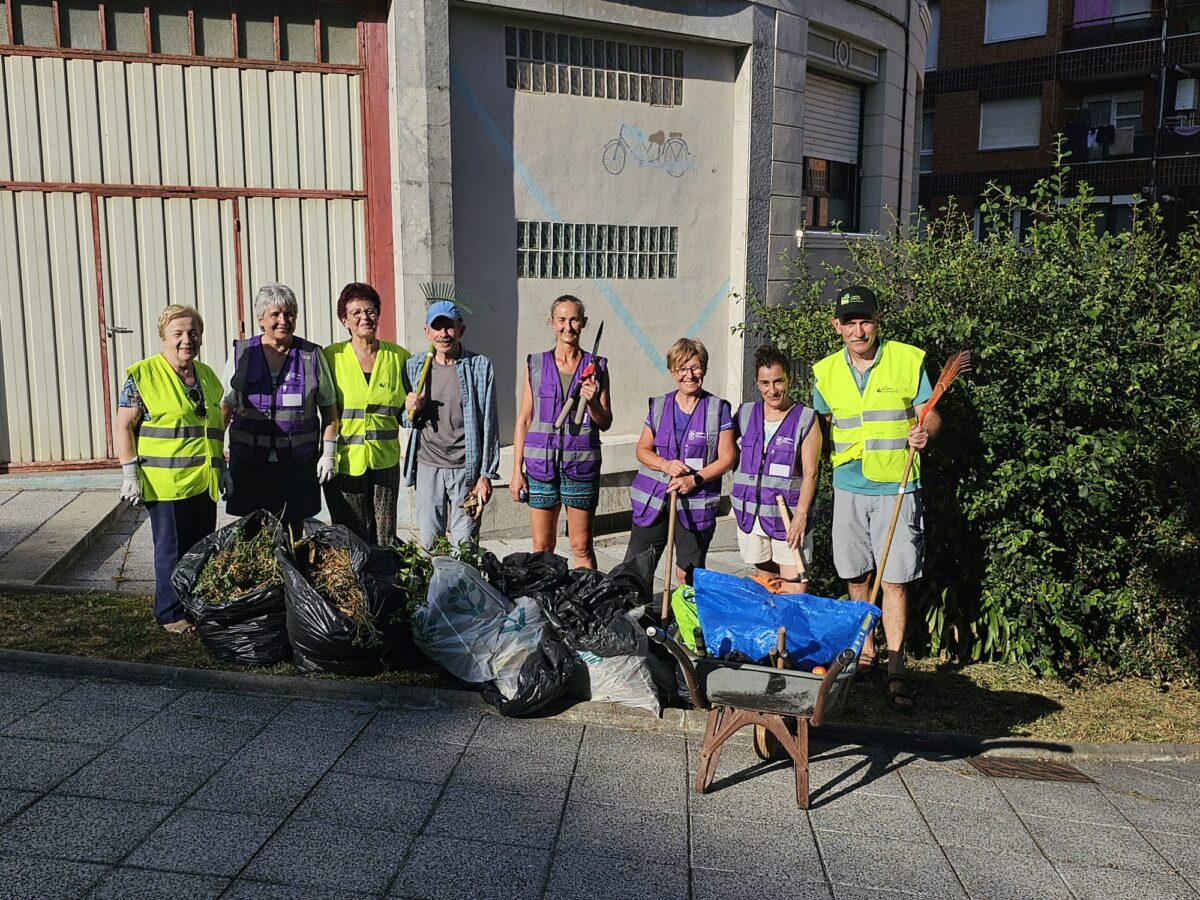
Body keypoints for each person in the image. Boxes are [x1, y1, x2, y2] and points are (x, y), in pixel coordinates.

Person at [811, 285, 938, 710]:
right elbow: (816, 427)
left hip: (896, 487)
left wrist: (926, 432)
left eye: (865, 320)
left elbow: (931, 413)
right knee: (856, 576)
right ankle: (865, 653)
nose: (858, 329)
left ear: (877, 321)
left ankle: (897, 667)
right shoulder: (825, 372)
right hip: (848, 486)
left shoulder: (906, 359)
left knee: (895, 581)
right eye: (849, 322)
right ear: (837, 327)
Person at [116, 305, 229, 633]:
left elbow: (214, 427)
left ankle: (194, 606)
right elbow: (124, 426)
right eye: (178, 333)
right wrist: (129, 472)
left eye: (193, 333)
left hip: (202, 481)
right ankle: (170, 614)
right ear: (163, 337)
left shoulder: (206, 376)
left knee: (199, 548)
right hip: (164, 484)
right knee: (171, 550)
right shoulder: (143, 376)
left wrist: (222, 468)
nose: (186, 340)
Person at [221, 283, 340, 539]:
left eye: (289, 314)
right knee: (252, 533)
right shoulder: (241, 353)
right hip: (251, 462)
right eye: (275, 314)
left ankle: (293, 573)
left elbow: (329, 409)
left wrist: (329, 452)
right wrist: (217, 460)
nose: (283, 320)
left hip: (296, 463)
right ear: (261, 320)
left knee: (294, 529)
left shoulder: (311, 355)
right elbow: (225, 407)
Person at [510, 295, 613, 568]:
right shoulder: (535, 364)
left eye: (574, 319)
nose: (568, 326)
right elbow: (524, 419)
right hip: (540, 467)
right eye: (562, 319)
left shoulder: (598, 367)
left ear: (584, 323)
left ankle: (584, 605)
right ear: (552, 323)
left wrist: (591, 402)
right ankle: (544, 605)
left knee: (581, 547)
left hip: (581, 468)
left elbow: (605, 422)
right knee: (542, 548)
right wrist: (516, 471)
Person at [624, 338, 737, 581]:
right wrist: (664, 464)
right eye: (682, 369)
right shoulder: (659, 406)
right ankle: (638, 616)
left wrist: (694, 479)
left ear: (704, 369)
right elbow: (642, 450)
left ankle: (684, 618)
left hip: (694, 502)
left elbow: (728, 457)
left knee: (688, 572)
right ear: (673, 372)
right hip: (654, 500)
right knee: (636, 569)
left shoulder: (717, 409)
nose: (689, 375)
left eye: (695, 368)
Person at [402, 300, 499, 549]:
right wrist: (411, 409)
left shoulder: (479, 366)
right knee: (428, 543)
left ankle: (461, 588)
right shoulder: (414, 366)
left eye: (450, 327)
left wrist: (485, 475)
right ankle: (432, 588)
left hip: (465, 469)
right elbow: (404, 420)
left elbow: (489, 423)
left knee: (464, 544)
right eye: (437, 328)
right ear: (427, 332)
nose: (443, 334)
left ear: (461, 330)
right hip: (427, 465)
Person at [323, 282, 412, 545]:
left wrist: (413, 409)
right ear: (344, 320)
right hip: (346, 461)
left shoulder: (399, 358)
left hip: (384, 461)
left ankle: (385, 583)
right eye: (356, 313)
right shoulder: (332, 357)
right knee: (352, 535)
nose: (365, 318)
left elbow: (406, 414)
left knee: (384, 536)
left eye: (371, 311)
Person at [731, 346, 822, 592]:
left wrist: (801, 516)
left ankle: (791, 632)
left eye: (778, 381)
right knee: (767, 587)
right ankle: (773, 632)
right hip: (752, 516)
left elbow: (811, 474)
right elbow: (726, 454)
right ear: (757, 383)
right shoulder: (745, 413)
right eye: (765, 383)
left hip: (788, 519)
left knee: (794, 591)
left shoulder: (806, 419)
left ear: (789, 379)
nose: (772, 390)